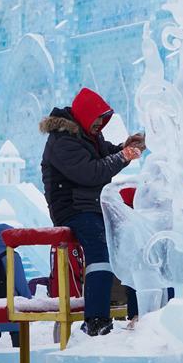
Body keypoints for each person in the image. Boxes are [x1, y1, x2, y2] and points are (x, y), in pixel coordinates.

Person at [40, 87, 144, 336]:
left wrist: (123, 147)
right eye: (98, 118)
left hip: (93, 206)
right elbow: (91, 172)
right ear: (86, 115)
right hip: (73, 208)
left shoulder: (86, 136)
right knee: (100, 251)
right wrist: (123, 157)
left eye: (103, 119)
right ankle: (96, 318)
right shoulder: (62, 140)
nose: (101, 124)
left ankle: (139, 313)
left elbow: (105, 153)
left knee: (131, 241)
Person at [0, 223, 32, 349]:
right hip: (11, 303)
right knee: (16, 335)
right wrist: (28, 299)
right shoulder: (12, 256)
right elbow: (20, 282)